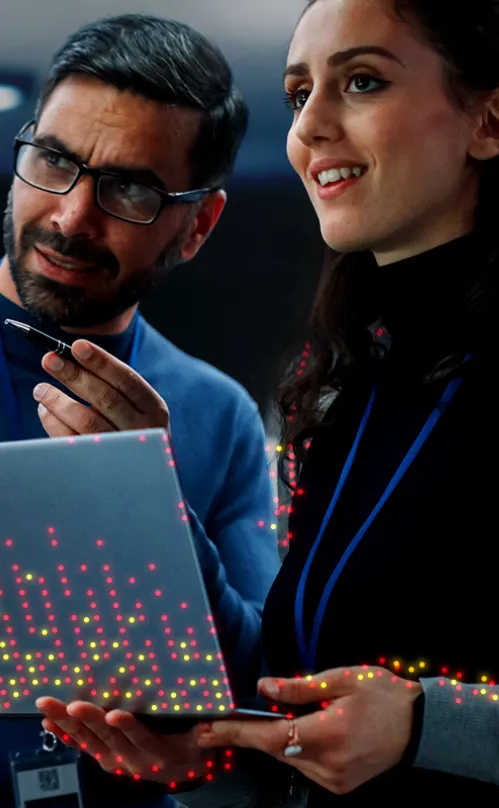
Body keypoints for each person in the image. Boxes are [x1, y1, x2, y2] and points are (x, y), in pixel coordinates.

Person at [36, 0, 499, 805]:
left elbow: (408, 731)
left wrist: (428, 721)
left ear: (490, 123)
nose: (308, 127)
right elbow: (304, 698)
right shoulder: (336, 384)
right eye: (297, 95)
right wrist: (215, 752)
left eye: (360, 81)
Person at [0, 13, 279, 808]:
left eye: (130, 188)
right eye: (53, 160)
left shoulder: (212, 412)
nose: (71, 217)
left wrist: (151, 501)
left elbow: (254, 686)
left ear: (196, 226)